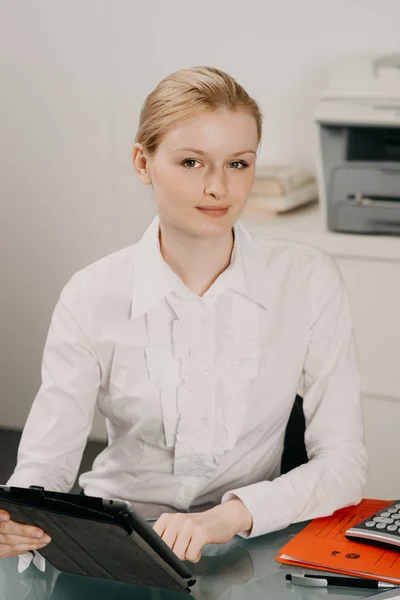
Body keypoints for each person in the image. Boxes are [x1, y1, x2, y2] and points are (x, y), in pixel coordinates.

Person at [1, 66, 367, 564]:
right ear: (142, 162)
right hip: (116, 544)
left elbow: (344, 463)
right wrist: (18, 514)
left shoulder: (308, 281)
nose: (218, 187)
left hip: (248, 541)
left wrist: (228, 516)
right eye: (192, 162)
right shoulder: (92, 294)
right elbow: (44, 464)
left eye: (238, 164)